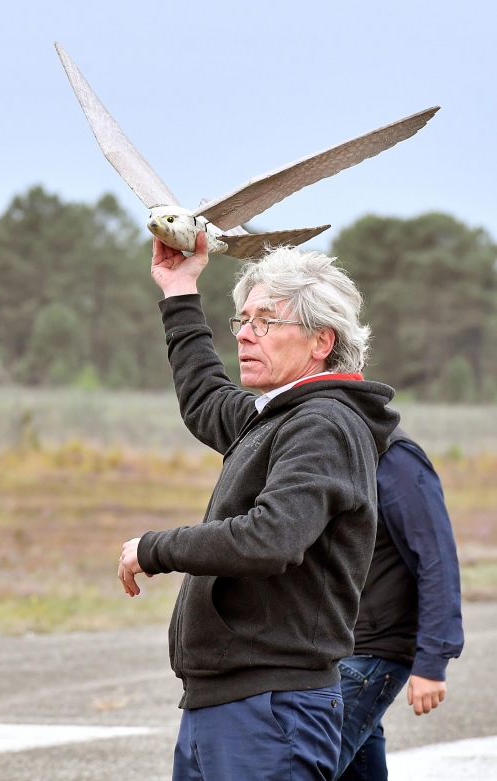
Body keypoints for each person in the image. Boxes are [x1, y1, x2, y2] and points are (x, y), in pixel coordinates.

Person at [118, 232, 399, 781]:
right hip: (230, 702)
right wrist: (179, 289)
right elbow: (204, 397)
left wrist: (156, 548)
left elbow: (271, 537)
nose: (245, 335)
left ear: (321, 341)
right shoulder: (278, 416)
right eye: (243, 321)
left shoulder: (322, 424)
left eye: (266, 322)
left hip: (272, 709)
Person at [335, 427, 464, 780]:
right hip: (336, 647)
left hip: (372, 651)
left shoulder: (394, 455)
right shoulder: (329, 443)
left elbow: (437, 559)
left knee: (304, 766)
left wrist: (432, 661)